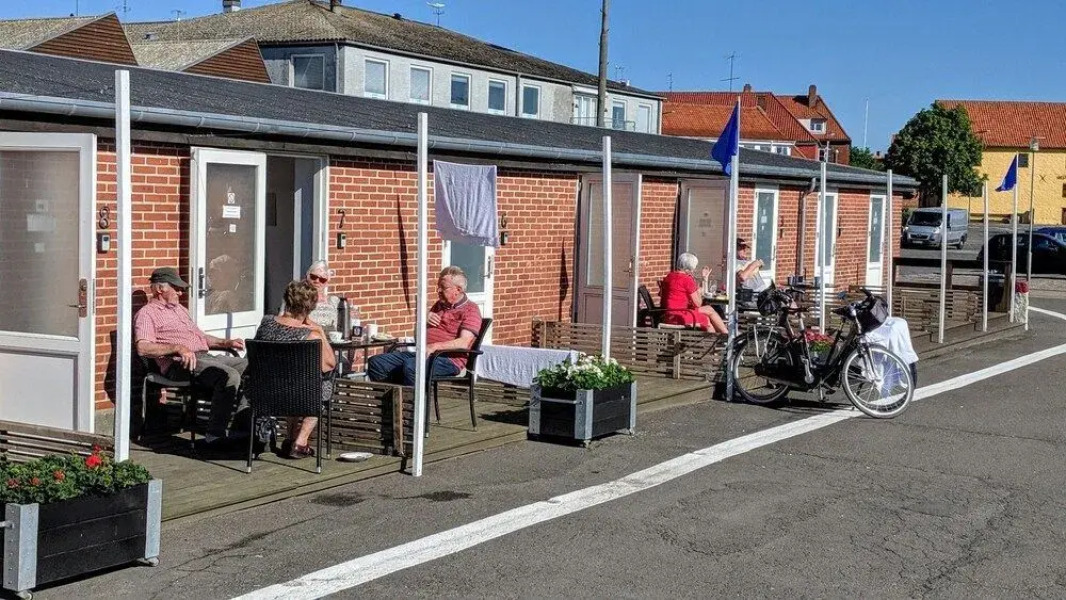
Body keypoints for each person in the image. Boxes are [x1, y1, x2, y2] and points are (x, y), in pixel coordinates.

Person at [134, 267, 246, 447]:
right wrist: (177, 348)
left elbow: (200, 337)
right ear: (160, 289)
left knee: (252, 366)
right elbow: (143, 347)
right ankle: (215, 436)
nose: (180, 291)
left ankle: (242, 425)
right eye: (176, 287)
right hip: (180, 364)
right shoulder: (147, 314)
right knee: (229, 376)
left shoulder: (181, 310)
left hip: (206, 356)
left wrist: (226, 343)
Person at [254, 280, 337, 459]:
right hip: (301, 396)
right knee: (321, 384)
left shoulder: (266, 323)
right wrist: (321, 332)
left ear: (287, 300)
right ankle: (300, 443)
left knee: (297, 381)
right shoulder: (311, 336)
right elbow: (329, 364)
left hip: (265, 395)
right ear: (310, 307)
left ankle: (290, 437)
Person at [367, 268, 482, 386]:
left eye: (443, 287)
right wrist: (423, 319)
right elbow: (418, 337)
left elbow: (464, 343)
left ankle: (413, 403)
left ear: (458, 290)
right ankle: (392, 400)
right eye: (438, 286)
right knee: (377, 362)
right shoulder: (439, 305)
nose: (438, 290)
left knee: (411, 367)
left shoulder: (471, 310)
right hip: (424, 354)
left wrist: (434, 346)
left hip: (448, 360)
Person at [659, 253, 728, 334]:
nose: (694, 270)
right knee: (706, 318)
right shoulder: (687, 280)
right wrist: (698, 291)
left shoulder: (669, 276)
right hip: (680, 315)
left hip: (668, 314)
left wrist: (704, 279)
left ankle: (725, 335)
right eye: (694, 268)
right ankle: (723, 338)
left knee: (709, 309)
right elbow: (698, 303)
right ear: (689, 269)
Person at [304, 260, 339, 332]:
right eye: (313, 277)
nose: (317, 281)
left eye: (322, 279)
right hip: (309, 340)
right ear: (307, 278)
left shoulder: (334, 301)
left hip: (331, 341)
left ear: (327, 283)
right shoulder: (298, 299)